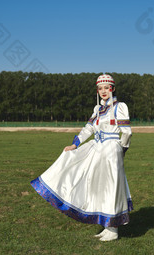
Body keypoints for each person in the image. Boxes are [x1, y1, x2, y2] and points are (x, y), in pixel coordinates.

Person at [30, 74, 133, 241]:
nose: (103, 91)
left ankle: (114, 230)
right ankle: (107, 226)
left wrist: (121, 149)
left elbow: (127, 132)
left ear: (112, 89)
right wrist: (75, 144)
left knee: (111, 187)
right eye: (100, 88)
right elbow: (89, 129)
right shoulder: (98, 109)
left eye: (106, 88)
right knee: (97, 187)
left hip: (111, 151)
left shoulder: (119, 107)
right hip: (97, 149)